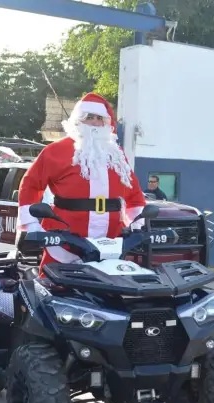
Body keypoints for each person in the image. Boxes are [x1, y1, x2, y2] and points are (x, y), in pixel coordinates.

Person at [17, 93, 146, 272]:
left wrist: (137, 223)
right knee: (54, 283)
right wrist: (32, 224)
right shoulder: (55, 151)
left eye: (99, 118)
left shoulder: (116, 155)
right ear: (78, 120)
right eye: (89, 117)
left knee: (111, 286)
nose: (95, 123)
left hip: (111, 241)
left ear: (107, 122)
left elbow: (134, 193)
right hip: (65, 239)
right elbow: (30, 185)